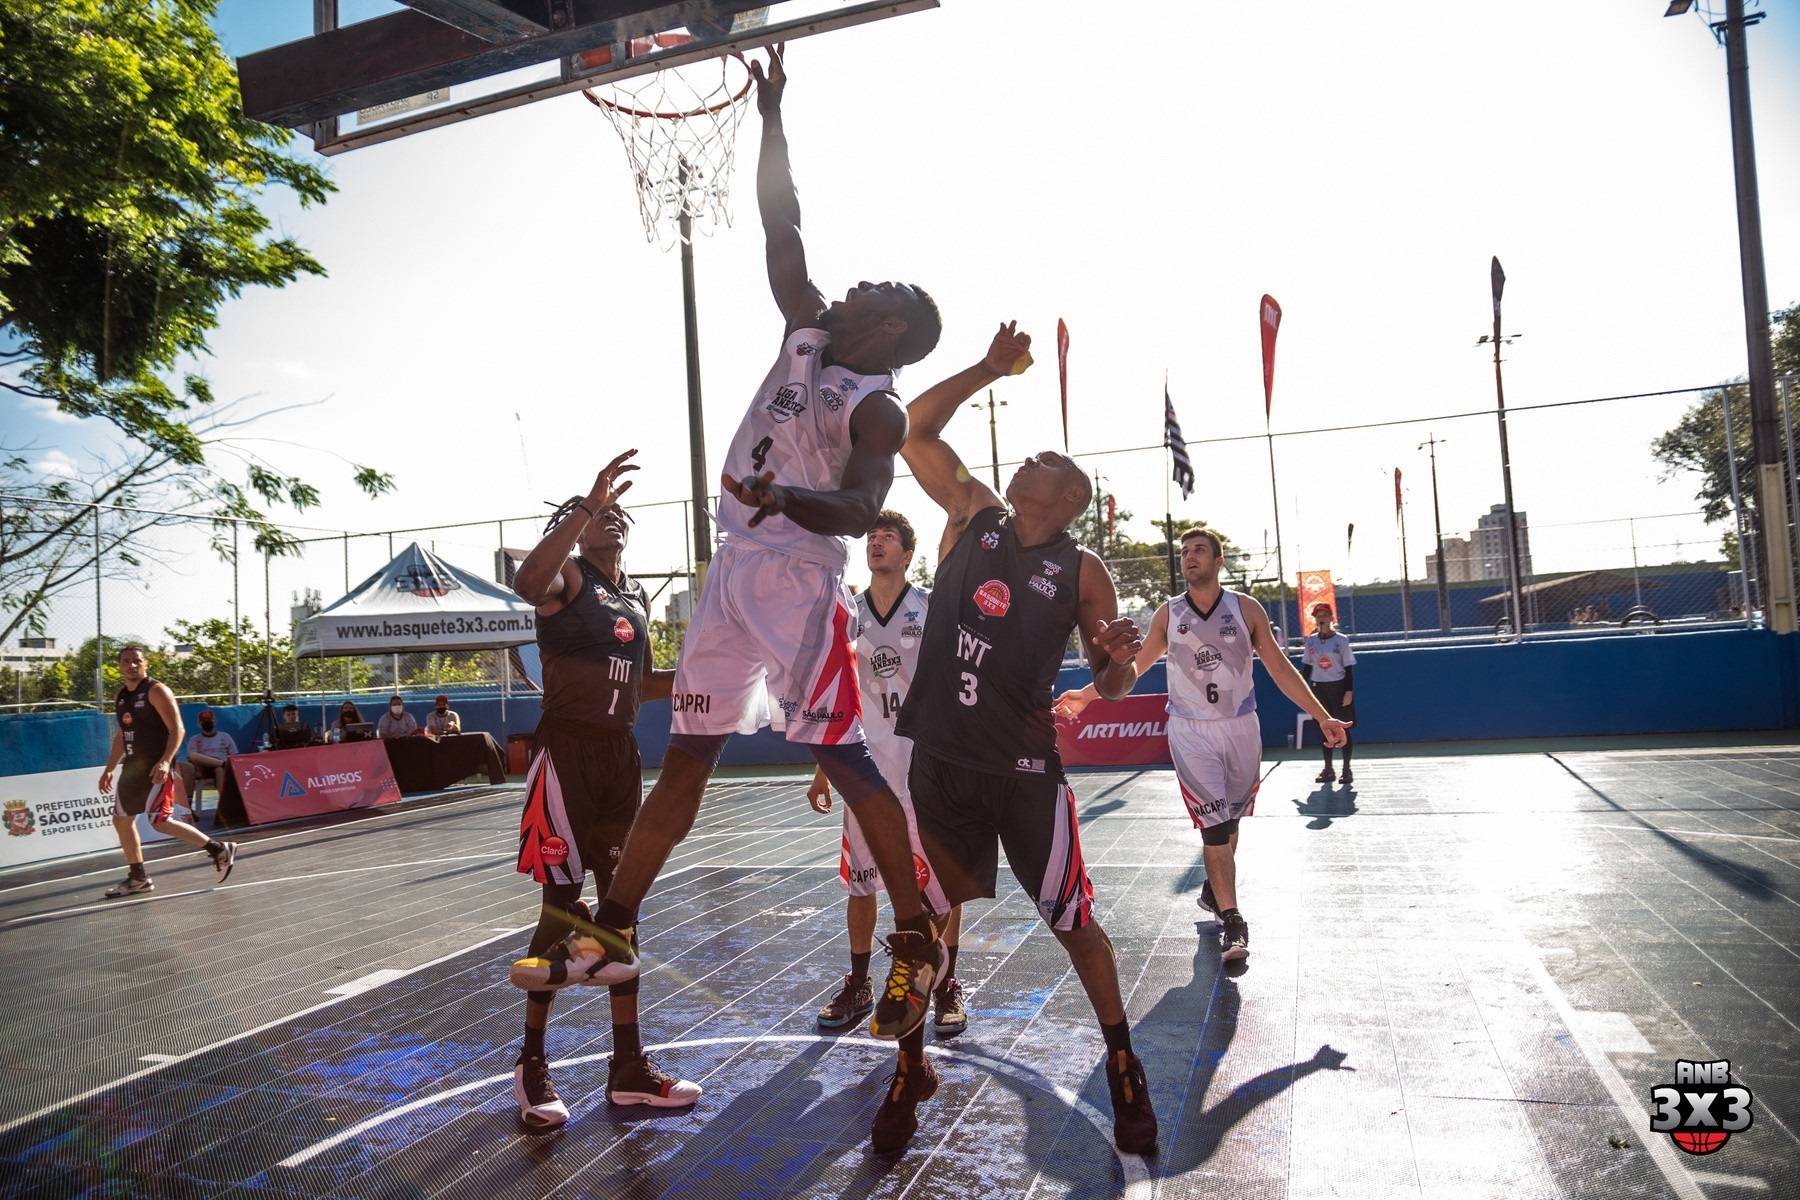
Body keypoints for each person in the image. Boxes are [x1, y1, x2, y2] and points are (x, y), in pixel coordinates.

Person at [512, 49, 950, 1068]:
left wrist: (782, 494)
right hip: (730, 568)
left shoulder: (874, 403)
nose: (852, 283)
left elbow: (857, 507)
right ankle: (611, 922)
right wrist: (772, 117)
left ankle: (915, 939)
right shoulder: (806, 325)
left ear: (891, 327)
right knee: (689, 756)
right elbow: (781, 223)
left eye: (874, 288)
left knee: (840, 757)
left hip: (797, 572)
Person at [889, 321, 1157, 1156]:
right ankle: (911, 1069)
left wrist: (1116, 667)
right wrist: (984, 368)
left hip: (1024, 772)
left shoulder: (1083, 572)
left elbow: (1109, 683)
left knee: (1074, 922)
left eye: (1045, 458)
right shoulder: (975, 511)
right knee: (920, 922)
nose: (1028, 457)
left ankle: (1122, 1061)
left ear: (1069, 494)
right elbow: (914, 431)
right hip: (940, 757)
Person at [503, 454, 700, 1128]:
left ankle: (628, 1067)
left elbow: (643, 682)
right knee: (562, 905)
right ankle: (531, 1063)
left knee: (622, 907)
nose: (609, 513)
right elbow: (527, 580)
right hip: (567, 755)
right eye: (594, 511)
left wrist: (711, 674)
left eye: (617, 509)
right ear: (579, 527)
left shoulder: (635, 597)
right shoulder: (566, 578)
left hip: (620, 757)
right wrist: (582, 506)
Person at [1057, 529, 1351, 965]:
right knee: (1213, 825)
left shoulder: (1244, 608)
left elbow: (1278, 666)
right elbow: (1135, 667)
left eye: (1198, 551)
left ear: (1218, 560)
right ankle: (1233, 919)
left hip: (1241, 728)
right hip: (1191, 730)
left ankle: (1215, 891)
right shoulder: (1170, 613)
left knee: (1230, 821)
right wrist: (1088, 693)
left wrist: (1321, 714)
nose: (1189, 557)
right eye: (1184, 552)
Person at [806, 511, 966, 1036]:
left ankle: (943, 987)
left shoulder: (930, 606)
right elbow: (830, 687)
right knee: (862, 883)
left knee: (940, 880)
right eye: (871, 537)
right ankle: (859, 984)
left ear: (907, 554)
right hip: (863, 761)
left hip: (924, 762)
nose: (876, 543)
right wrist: (823, 768)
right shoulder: (847, 611)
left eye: (888, 537)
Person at [98, 645, 237, 896]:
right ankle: (138, 878)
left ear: (145, 663)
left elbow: (178, 730)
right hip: (132, 767)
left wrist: (165, 761)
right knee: (121, 819)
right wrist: (109, 769)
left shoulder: (156, 690)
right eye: (126, 661)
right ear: (119, 666)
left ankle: (218, 849)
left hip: (155, 767)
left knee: (160, 821)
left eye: (136, 661)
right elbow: (121, 735)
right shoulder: (121, 696)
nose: (131, 665)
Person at [1301, 603, 1357, 785]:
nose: (1321, 618)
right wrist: (1303, 689)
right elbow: (1307, 667)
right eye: (1318, 616)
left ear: (1332, 618)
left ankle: (1346, 769)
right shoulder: (1311, 641)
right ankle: (1328, 769)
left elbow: (1348, 667)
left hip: (1338, 687)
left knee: (1342, 728)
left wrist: (1348, 691)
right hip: (1319, 688)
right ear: (1315, 619)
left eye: (1325, 615)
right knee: (1323, 728)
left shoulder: (1341, 640)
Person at [179, 707, 238, 816]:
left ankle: (224, 805)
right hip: (202, 768)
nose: (207, 723)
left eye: (209, 721)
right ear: (199, 724)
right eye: (204, 722)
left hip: (222, 768)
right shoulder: (195, 739)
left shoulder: (225, 736)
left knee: (219, 769)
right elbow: (192, 757)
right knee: (193, 756)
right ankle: (221, 763)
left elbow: (234, 755)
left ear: (214, 721)